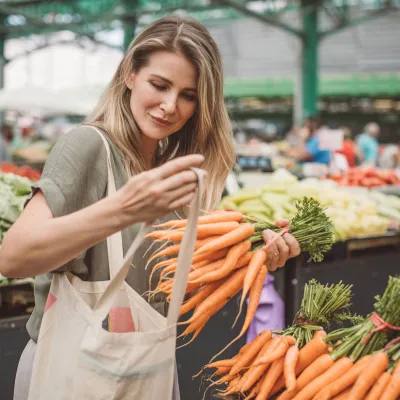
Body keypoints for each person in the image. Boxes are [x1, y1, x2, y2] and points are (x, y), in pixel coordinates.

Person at [0, 16, 300, 400]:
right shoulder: (88, 147)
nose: (170, 106)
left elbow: (166, 285)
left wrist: (252, 257)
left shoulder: (177, 171)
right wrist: (124, 210)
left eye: (188, 95)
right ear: (129, 74)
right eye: (159, 85)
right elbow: (13, 256)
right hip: (72, 371)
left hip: (144, 369)